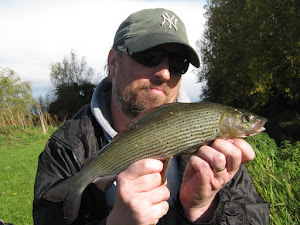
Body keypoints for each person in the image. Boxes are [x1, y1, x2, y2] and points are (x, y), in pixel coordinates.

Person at [33, 8, 269, 225]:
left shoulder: (219, 153)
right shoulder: (64, 149)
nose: (165, 72)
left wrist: (203, 210)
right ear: (113, 63)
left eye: (178, 63)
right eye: (150, 55)